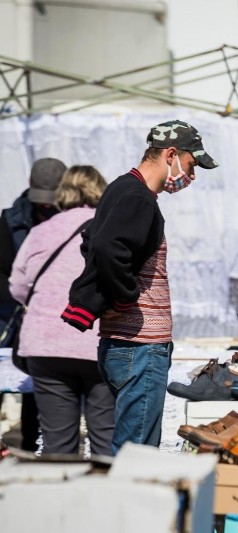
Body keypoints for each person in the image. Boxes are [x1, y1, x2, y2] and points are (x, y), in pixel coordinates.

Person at [61, 120, 218, 453]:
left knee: (129, 446)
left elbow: (93, 241)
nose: (192, 176)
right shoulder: (138, 197)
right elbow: (104, 248)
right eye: (191, 165)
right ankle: (126, 505)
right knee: (137, 453)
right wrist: (125, 296)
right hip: (139, 346)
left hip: (125, 343)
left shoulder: (122, 189)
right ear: (171, 154)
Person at [10, 166, 114, 456]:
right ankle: (109, 498)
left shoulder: (41, 231)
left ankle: (60, 499)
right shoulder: (110, 229)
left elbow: (18, 286)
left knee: (58, 444)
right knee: (106, 438)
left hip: (44, 345)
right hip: (96, 342)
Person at [0, 157, 67, 452]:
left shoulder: (72, 217)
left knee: (38, 383)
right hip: (10, 314)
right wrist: (19, 300)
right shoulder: (10, 220)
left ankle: (30, 444)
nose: (45, 207)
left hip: (49, 315)